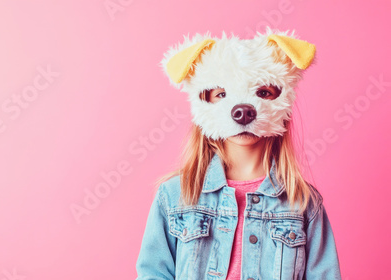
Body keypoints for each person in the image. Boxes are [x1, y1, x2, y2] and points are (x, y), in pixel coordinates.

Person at [135, 28, 342, 280]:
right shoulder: (175, 196)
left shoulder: (303, 204)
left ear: (282, 101)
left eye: (263, 93)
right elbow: (153, 274)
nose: (243, 110)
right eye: (221, 94)